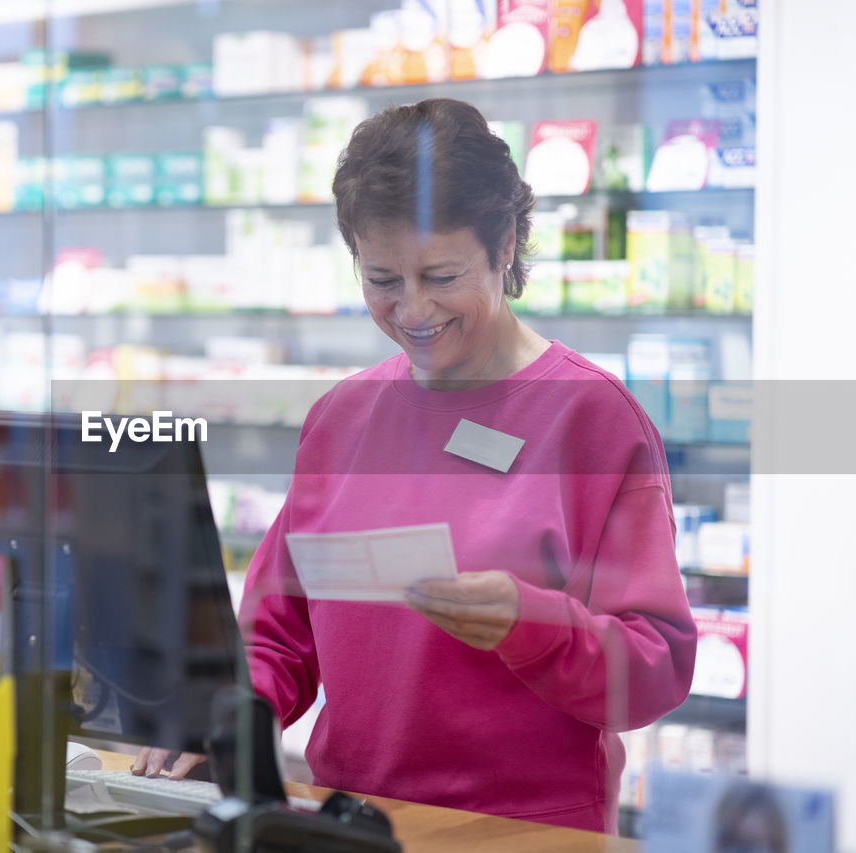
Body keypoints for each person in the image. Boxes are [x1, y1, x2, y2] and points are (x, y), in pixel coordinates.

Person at [134, 98, 696, 834]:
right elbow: (278, 632)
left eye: (440, 274)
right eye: (382, 279)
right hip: (353, 822)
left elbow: (656, 671)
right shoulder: (342, 418)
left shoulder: (592, 420)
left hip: (522, 833)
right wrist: (226, 713)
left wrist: (532, 622)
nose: (413, 309)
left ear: (507, 244)